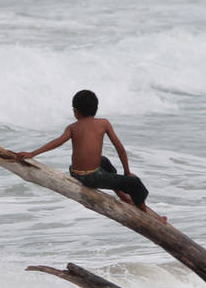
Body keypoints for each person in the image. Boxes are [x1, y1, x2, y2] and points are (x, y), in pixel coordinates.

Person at [16, 90, 164, 221]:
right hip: (93, 177)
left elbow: (57, 142)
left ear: (75, 111)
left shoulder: (72, 127)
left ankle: (121, 194)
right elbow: (120, 148)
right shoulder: (104, 123)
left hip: (75, 172)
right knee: (135, 184)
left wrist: (32, 153)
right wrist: (127, 172)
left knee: (104, 161)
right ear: (96, 109)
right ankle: (143, 211)